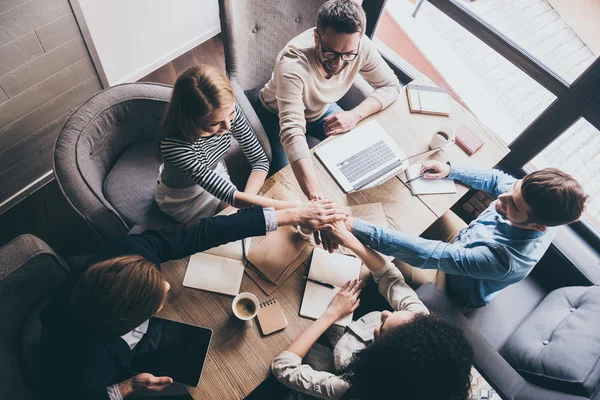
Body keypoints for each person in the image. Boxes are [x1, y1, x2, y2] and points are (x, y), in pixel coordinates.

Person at [40, 204, 346, 400]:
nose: (167, 284)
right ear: (129, 323)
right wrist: (127, 388)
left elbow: (204, 232)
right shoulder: (86, 369)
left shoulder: (128, 249)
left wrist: (290, 216)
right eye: (156, 301)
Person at [336, 160, 588, 309]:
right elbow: (496, 179)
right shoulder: (530, 200)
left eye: (513, 205)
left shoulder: (502, 261)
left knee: (379, 263)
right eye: (513, 189)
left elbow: (428, 253)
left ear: (537, 227)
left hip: (454, 289)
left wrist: (354, 226)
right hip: (465, 240)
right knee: (411, 209)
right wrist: (450, 169)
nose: (502, 197)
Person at [271, 219, 473, 399]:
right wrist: (348, 240)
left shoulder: (356, 388)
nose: (385, 312)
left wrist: (330, 314)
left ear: (380, 357)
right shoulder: (422, 326)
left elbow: (283, 368)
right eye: (394, 313)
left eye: (383, 325)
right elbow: (389, 277)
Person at [255, 0, 401, 198]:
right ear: (316, 36)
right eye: (331, 52)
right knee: (286, 186)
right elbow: (292, 132)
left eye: (349, 54)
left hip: (321, 109)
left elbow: (391, 86)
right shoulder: (293, 63)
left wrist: (355, 115)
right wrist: (315, 195)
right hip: (276, 114)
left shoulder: (362, 47)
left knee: (362, 156)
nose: (339, 64)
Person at [155, 64, 303, 224]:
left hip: (215, 174)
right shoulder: (174, 147)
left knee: (243, 218)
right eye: (214, 123)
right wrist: (297, 209)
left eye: (231, 114)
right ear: (191, 119)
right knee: (233, 228)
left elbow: (260, 160)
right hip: (184, 198)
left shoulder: (227, 112)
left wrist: (248, 200)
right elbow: (233, 197)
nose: (227, 127)